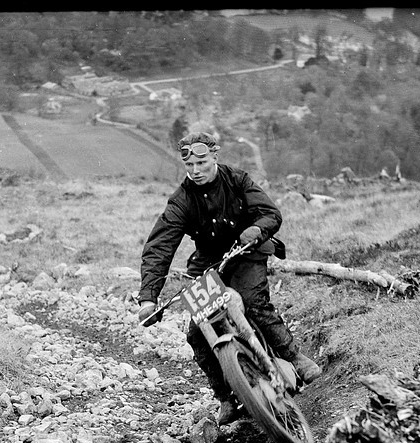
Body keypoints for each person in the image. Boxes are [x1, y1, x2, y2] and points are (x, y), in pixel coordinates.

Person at [137, 132, 321, 426]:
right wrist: (148, 296)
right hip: (210, 264)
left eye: (202, 162)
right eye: (190, 166)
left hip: (247, 249)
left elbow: (270, 212)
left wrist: (257, 230)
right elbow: (160, 246)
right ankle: (226, 396)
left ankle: (295, 357)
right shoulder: (182, 199)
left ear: (215, 157)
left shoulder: (238, 180)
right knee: (197, 333)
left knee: (251, 301)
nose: (195, 171)